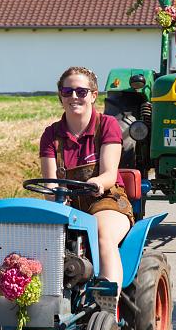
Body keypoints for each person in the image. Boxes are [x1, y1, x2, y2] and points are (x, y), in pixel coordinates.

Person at [39, 66, 134, 308]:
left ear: (93, 95)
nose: (74, 97)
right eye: (67, 91)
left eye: (81, 91)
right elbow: (51, 184)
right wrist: (57, 199)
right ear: (60, 96)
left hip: (106, 200)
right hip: (67, 203)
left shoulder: (107, 125)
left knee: (101, 232)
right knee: (38, 237)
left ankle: (107, 306)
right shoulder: (51, 135)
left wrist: (96, 182)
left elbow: (110, 175)